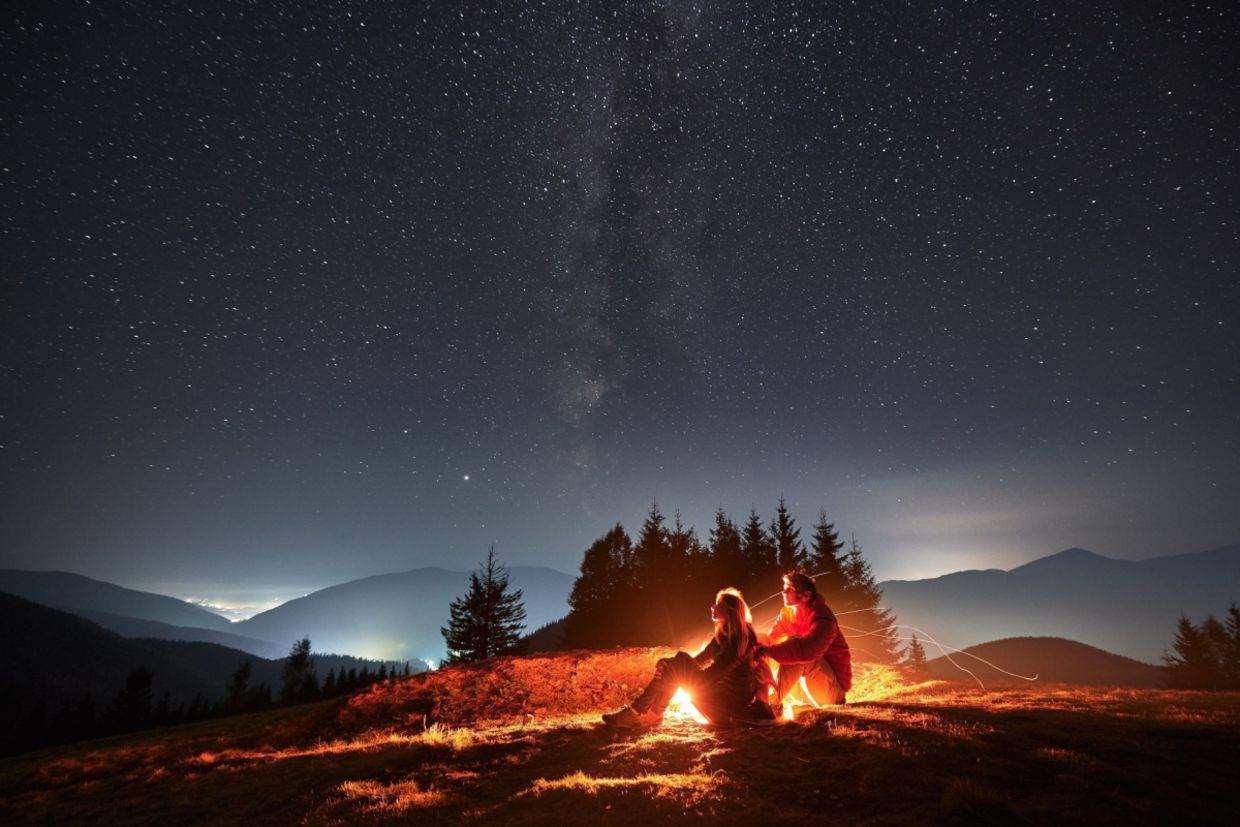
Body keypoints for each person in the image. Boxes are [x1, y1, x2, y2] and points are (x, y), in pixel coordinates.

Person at [602, 588, 776, 728]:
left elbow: (711, 677)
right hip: (720, 702)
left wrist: (677, 667)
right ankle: (651, 714)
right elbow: (700, 660)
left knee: (679, 661)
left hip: (727, 709)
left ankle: (639, 712)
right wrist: (668, 665)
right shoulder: (723, 635)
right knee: (676, 663)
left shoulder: (739, 641)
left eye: (718, 605)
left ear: (730, 612)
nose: (713, 608)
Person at [760, 570, 852, 707]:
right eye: (784, 589)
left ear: (806, 595)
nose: (784, 593)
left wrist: (767, 651)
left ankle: (768, 707)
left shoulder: (823, 617)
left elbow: (807, 651)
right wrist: (755, 649)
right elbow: (771, 641)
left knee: (797, 653)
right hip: (802, 688)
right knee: (761, 641)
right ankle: (752, 695)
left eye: (789, 590)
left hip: (830, 693)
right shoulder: (787, 613)